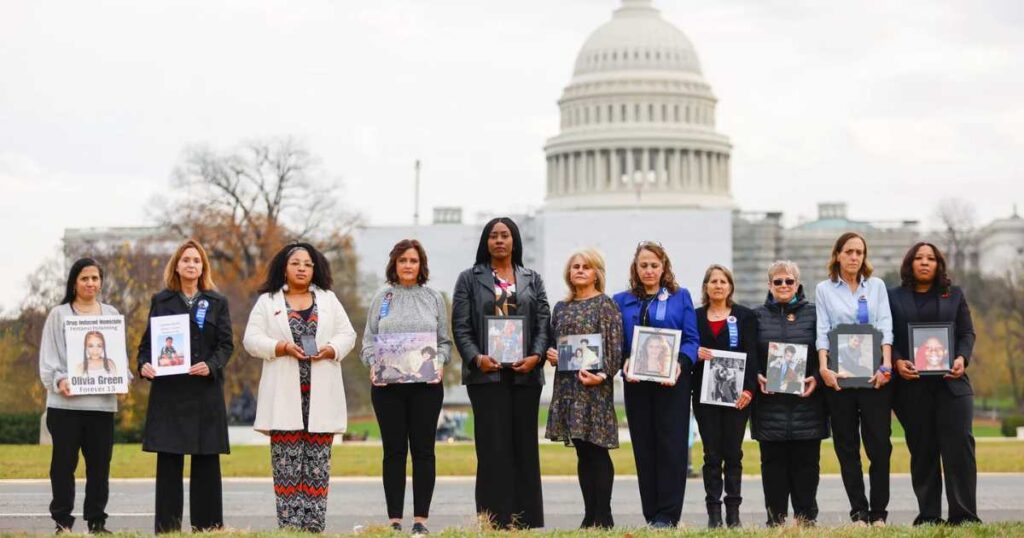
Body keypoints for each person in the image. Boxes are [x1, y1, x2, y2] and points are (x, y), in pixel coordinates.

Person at [243, 242, 357, 533]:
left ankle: (313, 526)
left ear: (315, 269)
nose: (303, 269)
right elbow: (251, 340)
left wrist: (331, 349)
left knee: (317, 466)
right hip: (285, 397)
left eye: (308, 264)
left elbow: (348, 334)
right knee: (287, 466)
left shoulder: (328, 299)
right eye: (296, 263)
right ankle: (290, 527)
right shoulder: (268, 302)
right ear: (284, 267)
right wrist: (279, 346)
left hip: (321, 397)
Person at [452, 217, 550, 529]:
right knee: (493, 448)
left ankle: (524, 518)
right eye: (493, 236)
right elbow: (461, 326)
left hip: (525, 376)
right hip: (487, 376)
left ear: (514, 241)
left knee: (523, 446)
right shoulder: (469, 279)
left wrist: (536, 356)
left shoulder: (531, 278)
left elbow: (543, 322)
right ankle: (494, 519)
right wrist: (475, 357)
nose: (499, 240)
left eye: (505, 235)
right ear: (486, 241)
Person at [137, 239, 233, 533]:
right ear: (176, 266)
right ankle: (168, 527)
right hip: (170, 394)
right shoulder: (161, 301)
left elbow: (226, 345)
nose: (191, 264)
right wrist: (144, 366)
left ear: (202, 266)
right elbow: (145, 348)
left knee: (206, 462)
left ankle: (208, 527)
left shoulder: (217, 302)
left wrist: (212, 365)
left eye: (196, 260)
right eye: (186, 260)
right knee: (169, 463)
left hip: (205, 392)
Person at [359, 239, 451, 535]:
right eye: (403, 261)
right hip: (387, 389)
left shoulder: (434, 298)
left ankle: (421, 520)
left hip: (426, 387)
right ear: (394, 265)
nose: (408, 266)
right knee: (394, 452)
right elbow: (367, 342)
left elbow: (445, 343)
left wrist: (440, 364)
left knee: (424, 452)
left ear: (421, 265)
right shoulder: (381, 298)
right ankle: (394, 520)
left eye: (413, 260)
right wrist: (373, 364)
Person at [890, 242, 980, 525]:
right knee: (923, 451)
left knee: (959, 451)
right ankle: (929, 515)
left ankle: (963, 516)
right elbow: (885, 335)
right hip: (912, 388)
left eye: (931, 258)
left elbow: (966, 333)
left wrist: (962, 358)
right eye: (919, 258)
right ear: (910, 263)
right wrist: (896, 361)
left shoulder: (954, 295)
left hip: (952, 386)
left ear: (939, 264)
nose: (925, 262)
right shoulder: (894, 297)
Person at [613, 241, 699, 528]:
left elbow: (690, 340)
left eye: (654, 265)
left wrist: (680, 365)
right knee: (645, 447)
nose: (649, 270)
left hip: (672, 383)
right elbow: (618, 344)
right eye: (643, 265)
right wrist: (624, 361)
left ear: (664, 268)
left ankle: (669, 514)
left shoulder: (680, 296)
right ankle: (651, 514)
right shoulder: (621, 300)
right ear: (635, 269)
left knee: (672, 447)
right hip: (636, 383)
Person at [816, 232, 894, 526]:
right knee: (847, 447)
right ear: (837, 255)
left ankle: (879, 512)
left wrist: (886, 365)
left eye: (859, 252)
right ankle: (859, 511)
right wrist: (824, 367)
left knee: (879, 446)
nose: (854, 257)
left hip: (875, 377)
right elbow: (823, 330)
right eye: (848, 251)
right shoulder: (824, 289)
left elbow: (885, 325)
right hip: (840, 378)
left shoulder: (876, 287)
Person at [39, 258, 121, 534]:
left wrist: (124, 379)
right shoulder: (59, 315)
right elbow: (48, 359)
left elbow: (118, 359)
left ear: (101, 282)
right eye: (84, 278)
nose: (90, 283)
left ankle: (97, 521)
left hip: (101, 407)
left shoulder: (110, 314)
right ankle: (62, 522)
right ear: (74, 282)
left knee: (99, 468)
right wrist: (60, 379)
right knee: (63, 467)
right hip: (65, 406)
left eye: (95, 278)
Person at [544, 249, 623, 529]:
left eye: (586, 267)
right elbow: (555, 344)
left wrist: (602, 376)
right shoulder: (561, 307)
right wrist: (551, 354)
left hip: (594, 388)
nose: (579, 270)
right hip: (568, 388)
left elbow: (615, 348)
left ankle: (604, 516)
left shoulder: (605, 305)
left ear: (596, 273)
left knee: (597, 450)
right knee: (581, 451)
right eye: (575, 266)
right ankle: (590, 515)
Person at [752, 260, 826, 527]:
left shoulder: (815, 314)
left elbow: (825, 354)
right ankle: (776, 520)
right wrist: (756, 375)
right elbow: (750, 356)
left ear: (798, 284)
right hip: (769, 406)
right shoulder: (756, 316)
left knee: (807, 466)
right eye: (778, 281)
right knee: (772, 467)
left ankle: (806, 520)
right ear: (769, 285)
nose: (784, 286)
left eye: (789, 281)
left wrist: (816, 377)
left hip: (807, 404)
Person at [691, 264, 758, 528]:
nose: (718, 285)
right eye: (713, 281)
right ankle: (714, 513)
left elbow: (752, 355)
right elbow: (686, 348)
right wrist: (696, 352)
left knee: (733, 454)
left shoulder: (744, 317)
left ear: (730, 286)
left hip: (736, 398)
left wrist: (749, 389)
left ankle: (733, 512)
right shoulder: (695, 317)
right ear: (706, 287)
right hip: (705, 397)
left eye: (723, 281)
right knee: (711, 455)